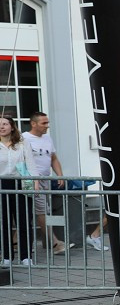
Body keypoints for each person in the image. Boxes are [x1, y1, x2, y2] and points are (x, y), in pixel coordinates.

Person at [23, 112, 69, 255]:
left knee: (34, 211)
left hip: (46, 180)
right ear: (33, 123)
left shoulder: (47, 138)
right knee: (42, 211)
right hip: (31, 181)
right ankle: (55, 243)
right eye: (44, 123)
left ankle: (16, 241)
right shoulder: (24, 138)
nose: (47, 126)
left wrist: (59, 174)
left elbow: (53, 158)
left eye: (47, 123)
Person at [0, 116, 34, 267]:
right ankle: (7, 256)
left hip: (21, 182)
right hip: (2, 183)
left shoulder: (22, 143)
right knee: (4, 222)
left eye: (5, 124)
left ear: (12, 127)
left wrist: (35, 182)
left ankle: (26, 256)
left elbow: (31, 163)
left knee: (24, 221)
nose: (2, 127)